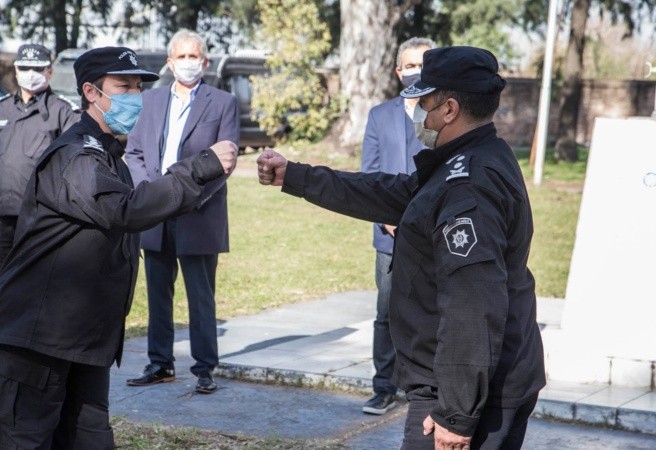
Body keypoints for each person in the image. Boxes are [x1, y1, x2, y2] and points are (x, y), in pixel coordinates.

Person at [257, 46, 545, 449]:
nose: (416, 111)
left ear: (448, 109)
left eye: (423, 102)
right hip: (465, 382)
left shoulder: (469, 188)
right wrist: (297, 177)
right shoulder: (466, 158)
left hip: (468, 392)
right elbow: (392, 192)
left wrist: (457, 416)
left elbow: (472, 305)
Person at [0, 46, 237, 449]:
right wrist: (198, 166)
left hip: (81, 342)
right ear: (91, 93)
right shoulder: (75, 155)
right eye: (123, 86)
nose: (135, 96)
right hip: (35, 343)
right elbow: (124, 210)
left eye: (138, 87)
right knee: (24, 441)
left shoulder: (108, 153)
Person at [124, 29, 239, 394]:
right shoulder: (151, 101)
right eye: (182, 57)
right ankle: (160, 363)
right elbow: (135, 154)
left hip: (199, 212)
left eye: (195, 57)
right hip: (156, 212)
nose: (189, 63)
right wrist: (151, 194)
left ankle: (204, 367)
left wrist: (190, 196)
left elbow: (226, 161)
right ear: (169, 63)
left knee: (200, 296)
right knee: (158, 294)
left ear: (204, 62)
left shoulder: (222, 103)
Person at [360, 37, 434, 416]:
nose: (414, 71)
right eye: (408, 65)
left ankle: (422, 385)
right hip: (388, 234)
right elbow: (370, 173)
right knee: (387, 311)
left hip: (432, 231)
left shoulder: (442, 111)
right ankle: (383, 386)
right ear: (397, 70)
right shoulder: (380, 115)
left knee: (428, 309)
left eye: (422, 64)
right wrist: (388, 220)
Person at [0, 43, 80, 280]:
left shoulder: (64, 111)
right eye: (24, 67)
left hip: (43, 214)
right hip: (6, 209)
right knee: (3, 276)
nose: (30, 74)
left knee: (38, 279)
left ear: (50, 71)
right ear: (15, 70)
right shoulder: (0, 109)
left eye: (37, 68)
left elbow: (72, 163)